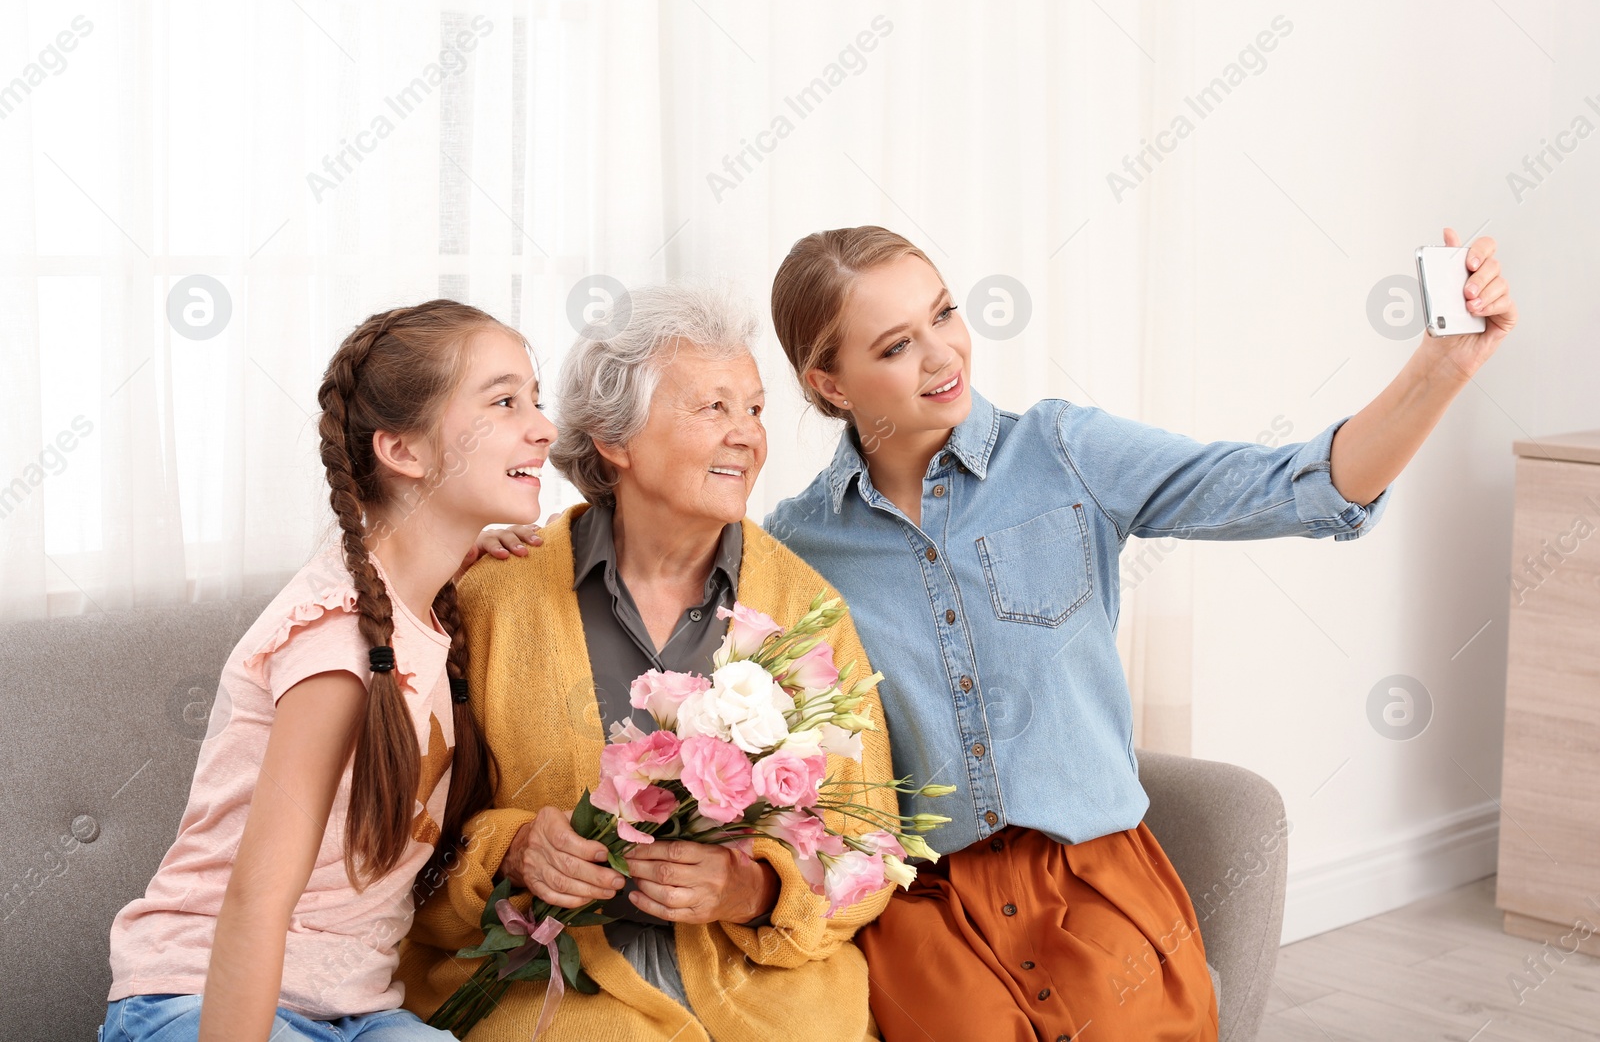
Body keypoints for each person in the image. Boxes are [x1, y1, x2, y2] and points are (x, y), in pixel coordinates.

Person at [757, 224, 1518, 1042]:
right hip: (922, 909)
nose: (944, 355)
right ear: (829, 383)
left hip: (1096, 882)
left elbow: (1293, 487)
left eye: (945, 314)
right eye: (898, 345)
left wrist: (1442, 368)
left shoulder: (1060, 452)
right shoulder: (798, 549)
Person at [400, 284, 898, 1041]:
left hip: (762, 997)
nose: (747, 435)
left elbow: (870, 844)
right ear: (614, 438)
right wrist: (512, 852)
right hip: (547, 992)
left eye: (755, 409)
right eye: (712, 408)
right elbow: (396, 841)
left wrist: (755, 888)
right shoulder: (492, 594)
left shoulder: (808, 609)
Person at [101, 300, 556, 1042]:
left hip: (355, 1010)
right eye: (505, 402)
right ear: (402, 452)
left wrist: (463, 546)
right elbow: (255, 899)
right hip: (202, 998)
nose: (543, 427)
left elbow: (405, 569)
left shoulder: (418, 605)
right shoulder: (338, 644)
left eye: (537, 399)